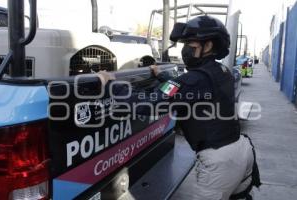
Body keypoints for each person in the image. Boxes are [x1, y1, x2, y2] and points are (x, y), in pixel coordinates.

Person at [98, 15, 261, 200]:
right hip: (241, 149)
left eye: (191, 45)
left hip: (220, 161)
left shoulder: (195, 78)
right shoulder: (221, 71)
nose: (185, 50)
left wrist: (111, 84)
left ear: (208, 46)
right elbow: (186, 90)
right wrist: (161, 76)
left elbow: (151, 103)